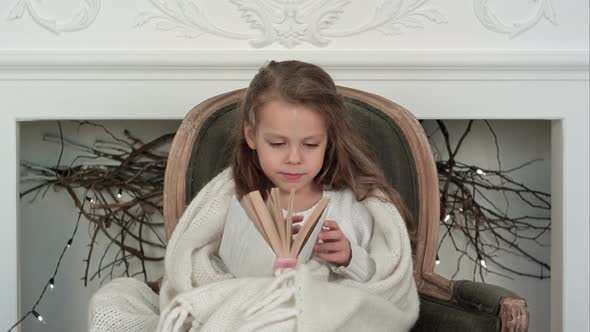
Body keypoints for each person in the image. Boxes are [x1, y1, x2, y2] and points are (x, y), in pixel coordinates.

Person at [226, 60, 416, 282]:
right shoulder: (238, 202)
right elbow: (217, 276)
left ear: (328, 140)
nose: (294, 159)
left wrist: (349, 258)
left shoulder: (353, 207)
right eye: (278, 144)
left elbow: (384, 281)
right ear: (251, 136)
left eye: (311, 145)